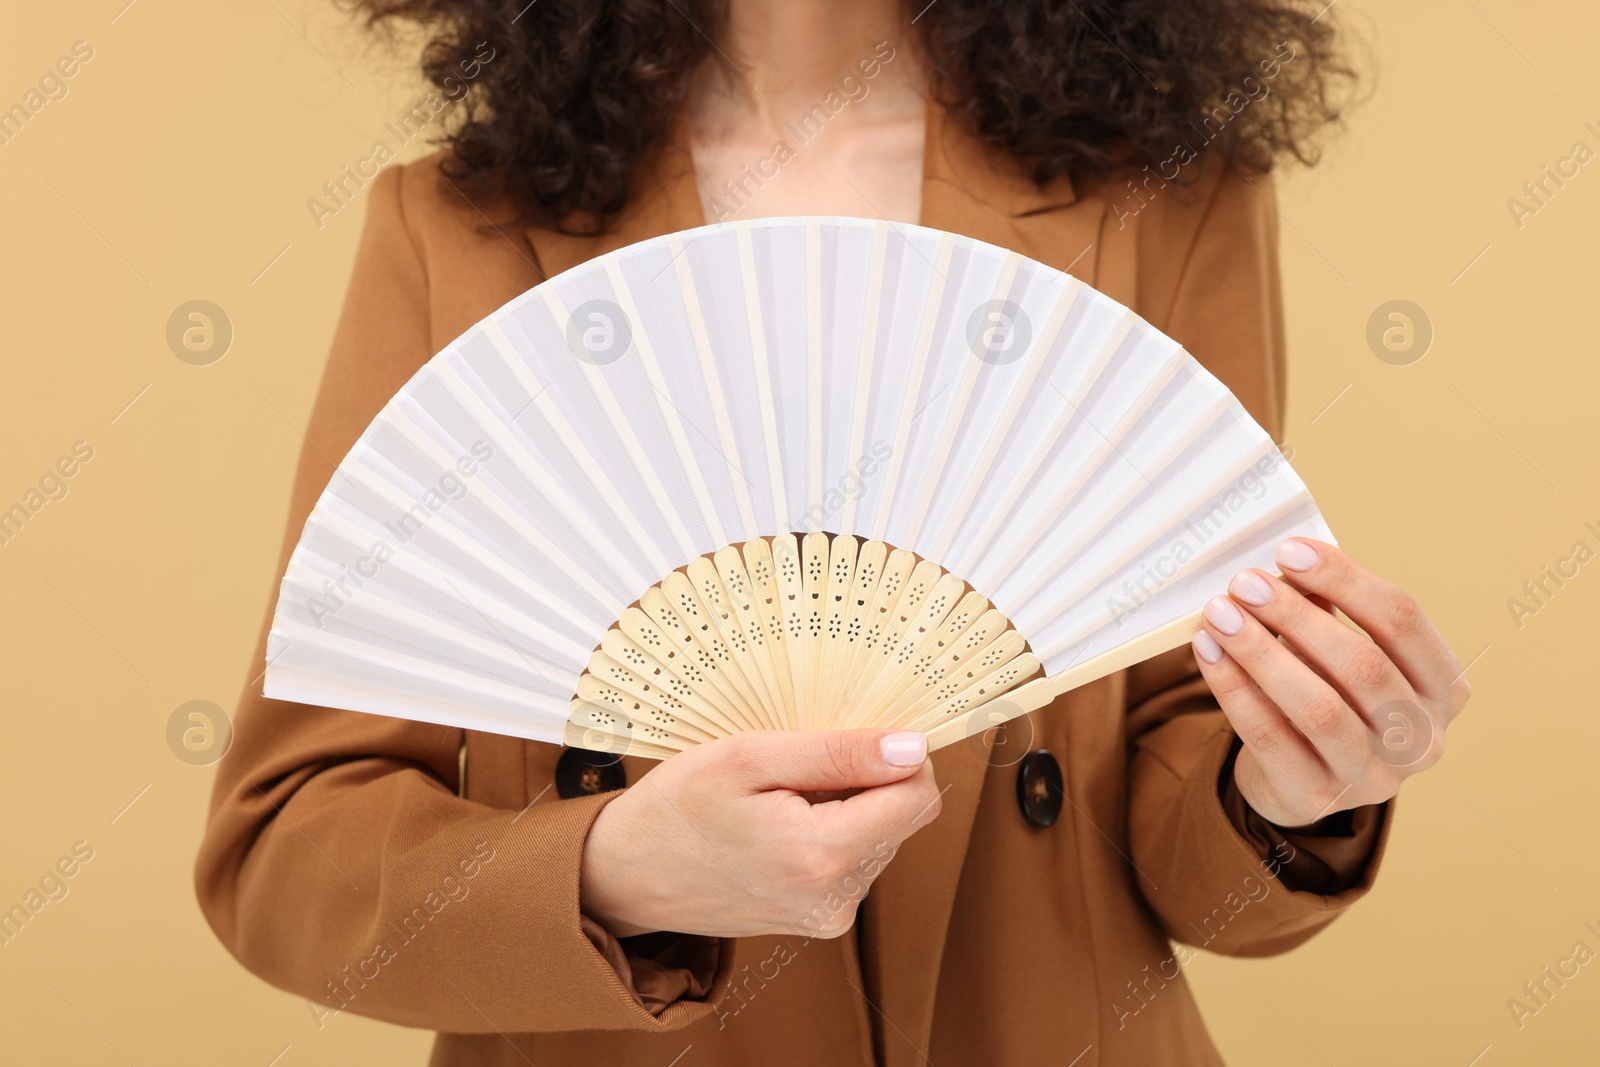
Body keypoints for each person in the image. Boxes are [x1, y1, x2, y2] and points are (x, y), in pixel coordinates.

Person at [196, 2, 1471, 1064]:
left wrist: (1289, 787)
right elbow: (286, 851)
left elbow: (1197, 851)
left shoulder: (1174, 200)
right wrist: (615, 868)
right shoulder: (452, 228)